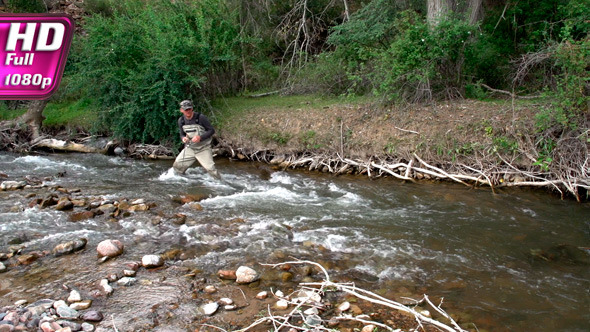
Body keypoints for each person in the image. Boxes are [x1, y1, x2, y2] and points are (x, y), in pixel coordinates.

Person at [172, 100, 220, 179]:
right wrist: (183, 138)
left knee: (211, 170)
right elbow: (182, 134)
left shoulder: (201, 118)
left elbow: (211, 130)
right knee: (177, 167)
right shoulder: (181, 120)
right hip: (190, 148)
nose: (188, 111)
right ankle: (183, 181)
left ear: (192, 108)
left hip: (203, 148)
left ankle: (221, 183)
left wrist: (200, 137)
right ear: (181, 110)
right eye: (185, 110)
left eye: (189, 109)